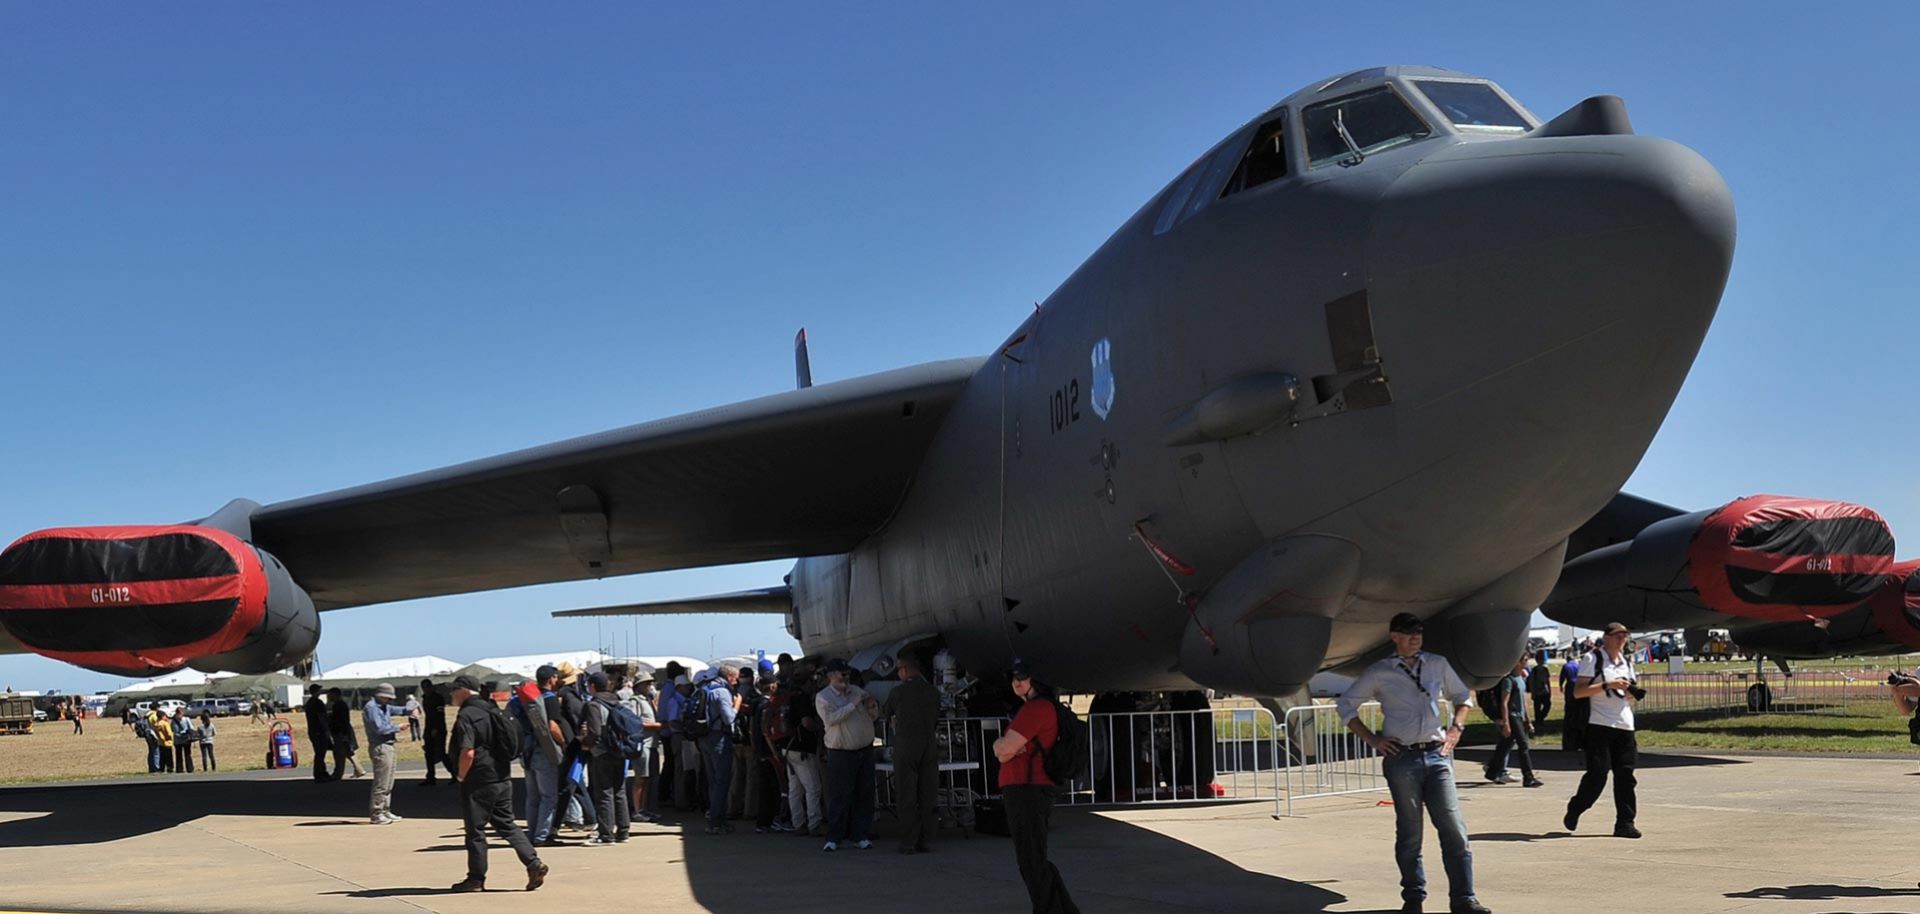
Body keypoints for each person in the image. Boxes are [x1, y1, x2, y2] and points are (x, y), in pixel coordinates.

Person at [1337, 613, 1491, 914]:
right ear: (1394, 636)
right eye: (1408, 633)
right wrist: (1373, 739)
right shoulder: (1381, 671)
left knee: (1454, 828)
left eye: (1418, 632)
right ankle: (1413, 897)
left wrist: (1456, 728)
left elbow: (1462, 696)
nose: (1415, 638)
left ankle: (1464, 899)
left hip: (1437, 755)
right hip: (1402, 758)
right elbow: (1346, 704)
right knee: (1410, 831)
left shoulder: (1437, 664)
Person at [991, 660, 1080, 914]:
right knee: (1034, 858)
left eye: (1023, 676)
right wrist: (1006, 749)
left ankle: (1050, 909)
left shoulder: (1036, 710)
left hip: (1026, 789)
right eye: (1013, 677)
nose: (1017, 681)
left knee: (1031, 861)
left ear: (1036, 680)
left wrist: (1001, 746)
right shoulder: (1038, 708)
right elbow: (1008, 750)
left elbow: (1003, 749)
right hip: (1030, 789)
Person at [447, 674, 547, 893]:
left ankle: (475, 879)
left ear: (464, 690)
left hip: (479, 780)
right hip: (501, 777)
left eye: (454, 690)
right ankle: (533, 862)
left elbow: (468, 752)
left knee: (475, 830)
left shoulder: (467, 714)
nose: (451, 694)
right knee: (507, 824)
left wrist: (461, 776)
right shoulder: (491, 709)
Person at [1564, 622, 1642, 840]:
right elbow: (1579, 692)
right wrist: (1607, 685)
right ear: (1606, 637)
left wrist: (1631, 692)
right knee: (1598, 774)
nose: (1621, 639)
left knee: (1626, 776)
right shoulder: (1593, 658)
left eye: (1624, 636)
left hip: (1625, 724)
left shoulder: (1626, 661)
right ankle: (1577, 806)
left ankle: (1625, 822)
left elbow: (1630, 692)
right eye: (1617, 635)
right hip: (1599, 725)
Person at [815, 659, 876, 851]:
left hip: (864, 750)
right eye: (842, 674)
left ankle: (860, 834)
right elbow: (831, 719)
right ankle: (834, 837)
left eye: (847, 674)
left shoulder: (857, 691)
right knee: (840, 796)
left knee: (864, 794)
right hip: (841, 752)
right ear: (831, 676)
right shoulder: (823, 697)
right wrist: (852, 704)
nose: (845, 678)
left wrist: (872, 706)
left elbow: (873, 715)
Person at [884, 652, 941, 854]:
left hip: (906, 745)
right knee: (928, 794)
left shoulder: (898, 692)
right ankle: (926, 840)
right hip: (929, 744)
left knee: (906, 794)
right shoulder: (933, 692)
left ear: (905, 670)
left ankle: (908, 841)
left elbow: (886, 713)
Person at [515, 665, 567, 846]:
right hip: (544, 751)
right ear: (551, 678)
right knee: (549, 797)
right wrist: (563, 743)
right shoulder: (550, 699)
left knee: (533, 797)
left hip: (526, 751)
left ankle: (532, 834)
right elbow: (552, 726)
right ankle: (542, 836)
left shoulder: (526, 699)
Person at [581, 671, 632, 845]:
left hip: (602, 752)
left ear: (593, 686)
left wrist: (586, 743)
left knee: (604, 792)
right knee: (619, 790)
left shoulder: (594, 705)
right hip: (619, 750)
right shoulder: (617, 702)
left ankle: (606, 833)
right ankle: (623, 830)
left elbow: (594, 731)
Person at [1483, 656, 1542, 788]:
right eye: (1525, 660)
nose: (1526, 662)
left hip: (1520, 717)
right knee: (1523, 745)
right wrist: (1506, 723)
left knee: (1505, 745)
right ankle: (1528, 777)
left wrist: (1528, 720)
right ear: (1517, 662)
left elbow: (1524, 701)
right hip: (1512, 716)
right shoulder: (1508, 681)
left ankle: (1492, 772)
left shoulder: (1520, 679)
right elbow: (1504, 703)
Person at [783, 664, 827, 836]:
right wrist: (821, 726)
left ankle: (798, 822)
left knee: (795, 788)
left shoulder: (786, 696)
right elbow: (807, 723)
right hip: (802, 748)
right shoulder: (802, 699)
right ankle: (814, 823)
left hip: (787, 747)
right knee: (813, 787)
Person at [699, 665, 741, 834]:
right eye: (735, 678)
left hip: (703, 737)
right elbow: (729, 718)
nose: (737, 681)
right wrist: (737, 704)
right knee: (722, 781)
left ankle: (714, 817)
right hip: (718, 738)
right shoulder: (722, 692)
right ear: (729, 676)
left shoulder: (705, 688)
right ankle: (717, 821)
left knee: (713, 781)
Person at [363, 682, 406, 825]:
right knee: (381, 781)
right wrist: (397, 727)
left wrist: (411, 708)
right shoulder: (371, 708)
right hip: (380, 746)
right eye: (387, 697)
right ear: (380, 695)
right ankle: (376, 812)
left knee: (389, 780)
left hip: (389, 745)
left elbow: (398, 710)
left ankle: (385, 809)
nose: (389, 700)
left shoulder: (384, 707)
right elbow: (379, 728)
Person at [626, 675, 661, 822]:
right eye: (646, 684)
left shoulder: (648, 700)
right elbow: (634, 721)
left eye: (650, 683)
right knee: (641, 778)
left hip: (652, 743)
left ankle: (645, 808)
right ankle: (637, 809)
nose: (649, 686)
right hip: (643, 743)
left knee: (649, 778)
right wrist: (654, 726)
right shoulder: (635, 701)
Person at [326, 687, 367, 779]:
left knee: (339, 753)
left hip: (341, 732)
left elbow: (340, 720)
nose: (328, 697)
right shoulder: (340, 705)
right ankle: (359, 769)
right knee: (348, 751)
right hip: (344, 731)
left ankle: (338, 773)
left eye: (330, 695)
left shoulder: (338, 705)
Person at [420, 678, 453, 785]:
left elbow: (439, 715)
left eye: (427, 687)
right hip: (428, 728)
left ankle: (454, 774)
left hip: (439, 728)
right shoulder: (425, 698)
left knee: (441, 753)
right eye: (423, 688)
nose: (426, 690)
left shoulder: (438, 698)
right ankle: (430, 776)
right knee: (428, 753)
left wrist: (436, 728)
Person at [304, 685, 338, 782]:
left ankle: (321, 772)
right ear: (316, 691)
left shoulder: (309, 703)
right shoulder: (318, 703)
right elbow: (322, 717)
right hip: (319, 730)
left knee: (318, 752)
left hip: (312, 730)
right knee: (320, 753)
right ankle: (319, 773)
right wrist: (327, 730)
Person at [1527, 654, 1552, 722]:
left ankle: (1541, 717)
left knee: (1547, 705)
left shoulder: (1545, 669)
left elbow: (1548, 681)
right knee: (1537, 707)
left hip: (1544, 691)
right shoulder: (1534, 670)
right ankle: (1538, 720)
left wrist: (1549, 690)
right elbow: (1531, 682)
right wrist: (1532, 692)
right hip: (1537, 691)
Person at [171, 708, 196, 773]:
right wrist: (181, 733)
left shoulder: (186, 719)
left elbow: (191, 728)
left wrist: (187, 732)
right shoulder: (174, 721)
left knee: (187, 754)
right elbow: (174, 730)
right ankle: (179, 769)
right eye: (178, 713)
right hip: (178, 740)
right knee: (179, 755)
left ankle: (189, 768)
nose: (180, 715)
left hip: (186, 740)